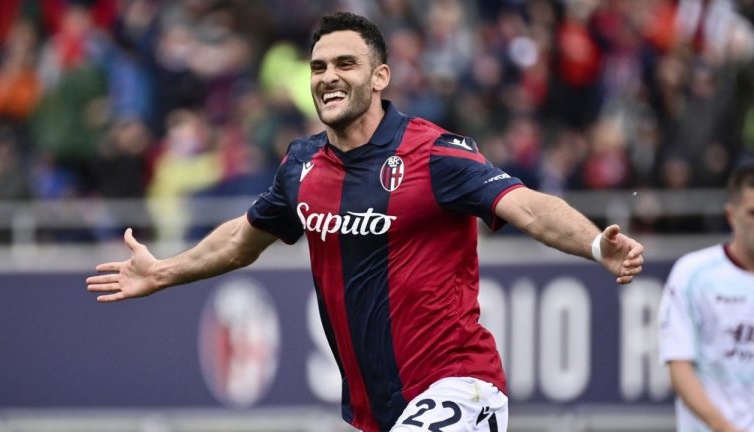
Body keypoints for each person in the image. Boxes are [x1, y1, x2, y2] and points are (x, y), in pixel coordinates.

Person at [87, 12, 645, 432]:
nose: (328, 77)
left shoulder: (433, 154)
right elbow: (242, 238)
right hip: (375, 413)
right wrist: (163, 272)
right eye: (319, 68)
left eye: (345, 64)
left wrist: (597, 243)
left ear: (379, 77)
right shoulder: (302, 165)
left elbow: (526, 205)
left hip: (461, 388)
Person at [658, 163, 754, 432]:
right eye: (753, 213)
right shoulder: (693, 275)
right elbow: (679, 366)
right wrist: (724, 428)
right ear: (730, 215)